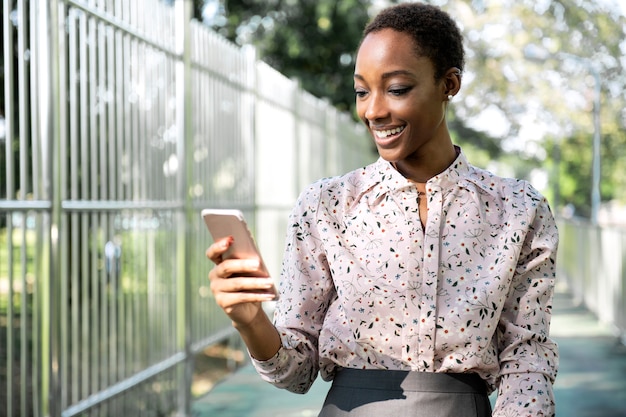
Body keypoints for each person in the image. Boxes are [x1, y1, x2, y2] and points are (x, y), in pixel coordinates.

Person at [207, 3, 559, 417]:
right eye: (361, 91)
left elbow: (527, 362)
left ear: (449, 84)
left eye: (396, 89)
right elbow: (296, 372)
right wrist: (250, 321)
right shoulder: (327, 206)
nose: (373, 110)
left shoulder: (518, 210)